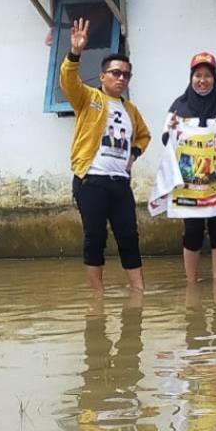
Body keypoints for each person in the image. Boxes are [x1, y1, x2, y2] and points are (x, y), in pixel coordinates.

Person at [60, 18, 151, 295]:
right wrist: (75, 52)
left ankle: (138, 291)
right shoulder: (88, 98)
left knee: (128, 237)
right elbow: (68, 81)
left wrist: (134, 154)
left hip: (120, 182)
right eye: (115, 73)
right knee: (95, 237)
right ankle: (97, 296)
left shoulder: (131, 110)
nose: (121, 78)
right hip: (92, 180)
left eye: (126, 74)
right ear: (102, 77)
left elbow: (144, 135)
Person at [164, 51, 216, 283]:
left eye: (207, 75)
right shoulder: (179, 106)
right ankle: (191, 282)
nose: (202, 80)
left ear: (214, 78)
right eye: (198, 75)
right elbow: (167, 141)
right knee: (193, 230)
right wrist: (172, 129)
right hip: (190, 183)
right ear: (191, 77)